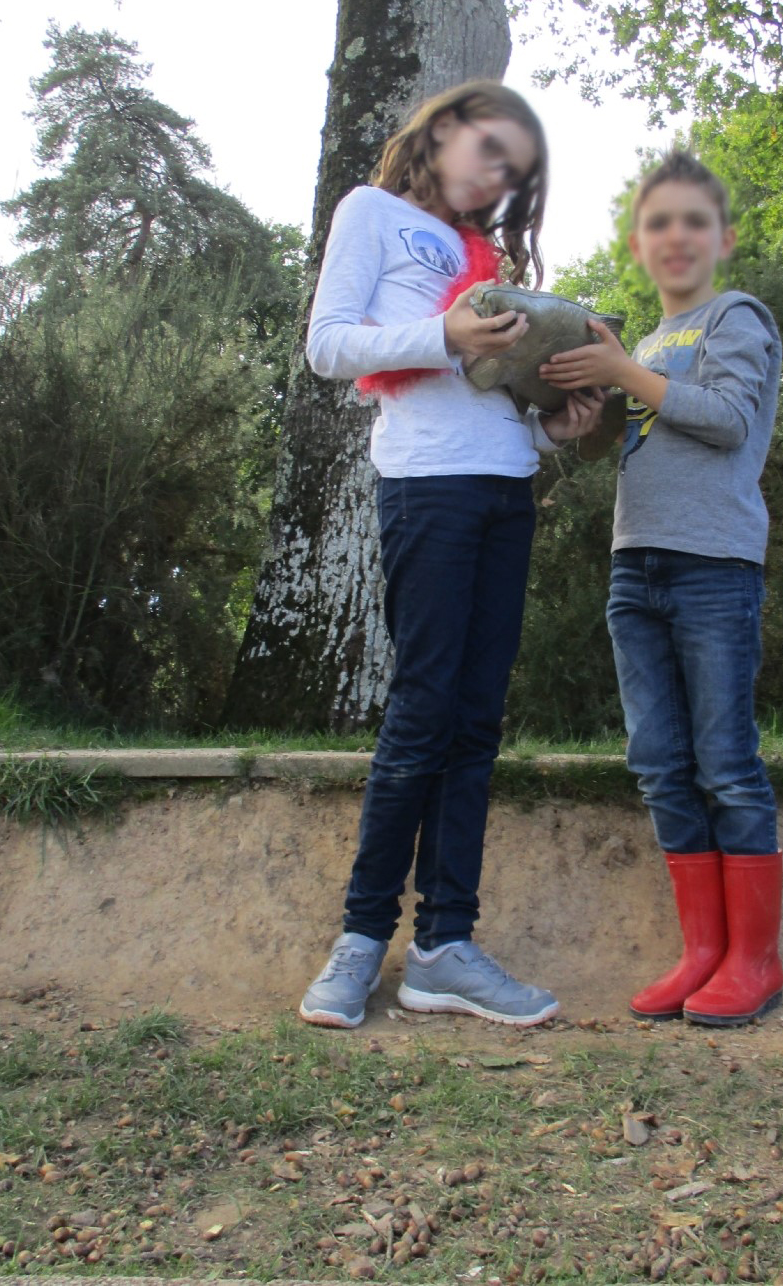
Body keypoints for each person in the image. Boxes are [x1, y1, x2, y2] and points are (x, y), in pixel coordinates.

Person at [299, 80, 602, 1030]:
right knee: (424, 710)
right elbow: (328, 346)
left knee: (475, 719)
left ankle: (443, 948)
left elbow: (495, 397)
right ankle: (357, 942)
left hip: (506, 489)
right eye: (488, 147)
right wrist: (447, 331)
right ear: (440, 131)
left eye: (512, 168)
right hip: (424, 489)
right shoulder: (373, 212)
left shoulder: (491, 258)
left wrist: (562, 422)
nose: (495, 174)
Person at [539, 150, 783, 1026]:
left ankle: (755, 960)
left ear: (720, 237)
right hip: (633, 567)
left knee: (724, 759)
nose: (675, 236)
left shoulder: (734, 317)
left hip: (712, 566)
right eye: (657, 223)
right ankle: (703, 952)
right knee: (658, 763)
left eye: (693, 220)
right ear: (638, 246)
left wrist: (624, 377)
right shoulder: (639, 344)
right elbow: (624, 434)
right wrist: (578, 421)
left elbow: (723, 420)